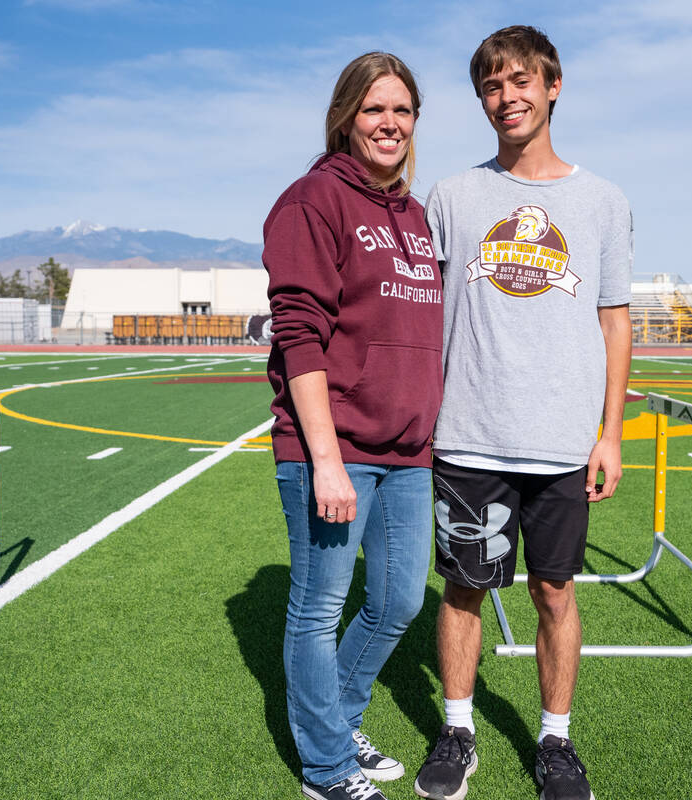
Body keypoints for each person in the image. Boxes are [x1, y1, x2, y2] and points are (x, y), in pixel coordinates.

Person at [414, 26, 632, 800]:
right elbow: (416, 304)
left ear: (553, 85)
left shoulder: (602, 201)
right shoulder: (453, 195)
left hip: (561, 440)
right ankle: (458, 727)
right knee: (465, 588)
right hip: (468, 432)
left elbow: (614, 319)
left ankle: (555, 742)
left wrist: (610, 434)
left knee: (553, 592)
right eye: (491, 87)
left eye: (519, 82)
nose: (506, 98)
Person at [263, 52, 443, 800]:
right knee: (318, 607)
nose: (390, 124)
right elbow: (299, 335)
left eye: (402, 110)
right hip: (333, 450)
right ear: (346, 117)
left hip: (408, 452)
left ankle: (337, 720)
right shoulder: (312, 200)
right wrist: (326, 459)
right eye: (375, 109)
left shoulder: (413, 215)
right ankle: (327, 768)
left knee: (400, 598)